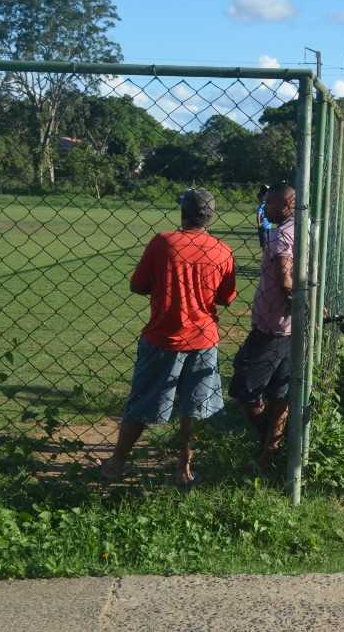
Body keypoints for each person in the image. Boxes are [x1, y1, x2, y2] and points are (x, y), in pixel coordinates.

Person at [101, 188, 236, 487]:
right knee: (194, 407)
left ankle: (117, 463)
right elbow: (227, 297)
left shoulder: (164, 243)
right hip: (203, 337)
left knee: (141, 403)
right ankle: (184, 467)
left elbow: (138, 285)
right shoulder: (222, 250)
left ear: (183, 212)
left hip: (163, 336)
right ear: (210, 216)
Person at [231, 183, 297, 474]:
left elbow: (284, 275)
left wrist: (291, 298)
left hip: (272, 327)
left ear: (286, 205)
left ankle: (266, 439)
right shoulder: (302, 228)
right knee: (281, 392)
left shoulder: (282, 233)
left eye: (269, 203)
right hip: (290, 328)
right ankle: (271, 450)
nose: (264, 208)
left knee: (244, 387)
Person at [256, 185, 272, 249]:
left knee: (266, 243)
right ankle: (266, 255)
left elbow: (258, 215)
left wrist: (259, 224)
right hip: (265, 226)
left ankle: (266, 255)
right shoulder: (263, 205)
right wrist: (259, 224)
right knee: (266, 243)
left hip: (266, 226)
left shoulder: (265, 204)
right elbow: (258, 215)